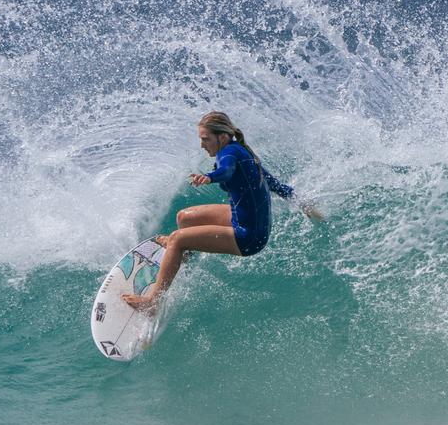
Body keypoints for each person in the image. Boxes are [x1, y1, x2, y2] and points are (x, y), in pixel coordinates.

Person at [122, 111, 320, 313]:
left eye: (205, 139)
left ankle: (153, 302)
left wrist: (209, 177)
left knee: (176, 239)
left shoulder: (229, 155)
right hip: (243, 217)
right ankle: (183, 257)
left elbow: (225, 171)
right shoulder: (241, 151)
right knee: (184, 217)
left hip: (248, 236)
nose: (202, 145)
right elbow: (274, 184)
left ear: (222, 136)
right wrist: (302, 202)